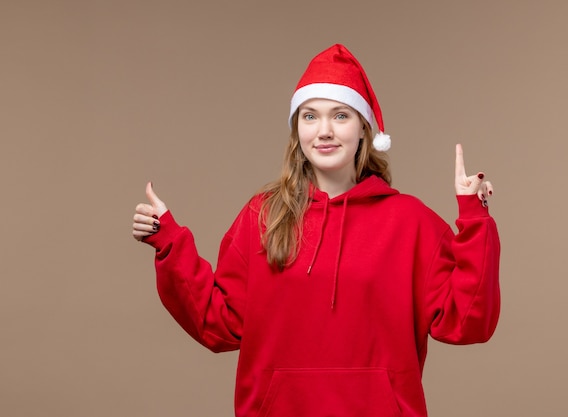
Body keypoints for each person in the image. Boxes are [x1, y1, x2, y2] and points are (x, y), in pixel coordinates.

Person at [132, 44, 500, 417]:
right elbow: (219, 323)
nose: (324, 131)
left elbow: (468, 322)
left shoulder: (411, 222)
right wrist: (169, 243)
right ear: (298, 129)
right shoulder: (263, 215)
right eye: (310, 117)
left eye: (340, 116)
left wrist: (474, 217)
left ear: (363, 128)